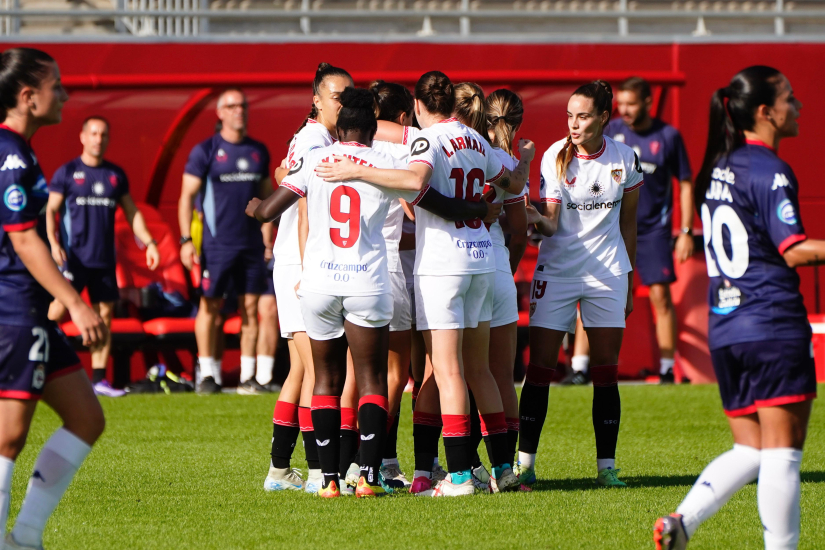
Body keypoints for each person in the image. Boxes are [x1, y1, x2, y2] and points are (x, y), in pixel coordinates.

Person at [249, 86, 500, 498]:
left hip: (318, 284)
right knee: (373, 379)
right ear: (370, 131)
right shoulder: (384, 161)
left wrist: (254, 206)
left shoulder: (315, 159)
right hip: (367, 280)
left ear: (340, 128)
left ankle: (328, 480)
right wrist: (477, 209)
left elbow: (268, 210)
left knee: (326, 380)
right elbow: (432, 198)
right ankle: (368, 475)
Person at [316, 71, 534, 497]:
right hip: (482, 261)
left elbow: (415, 181)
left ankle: (456, 477)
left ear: (417, 106)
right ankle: (504, 470)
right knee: (480, 370)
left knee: (446, 370)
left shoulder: (426, 140)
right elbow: (516, 184)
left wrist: (355, 170)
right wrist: (522, 159)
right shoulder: (476, 140)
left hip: (442, 263)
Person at [654, 66, 815, 550]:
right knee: (783, 455)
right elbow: (793, 249)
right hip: (772, 323)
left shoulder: (720, 167)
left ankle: (682, 521)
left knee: (751, 448)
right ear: (766, 112)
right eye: (789, 98)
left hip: (728, 329)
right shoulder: (769, 169)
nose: (798, 105)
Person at [0, 47, 108, 550]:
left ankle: (25, 537)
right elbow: (24, 239)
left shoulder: (21, 149)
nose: (64, 93)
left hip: (29, 312)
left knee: (87, 418)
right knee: (9, 436)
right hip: (14, 309)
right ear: (28, 96)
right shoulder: (11, 154)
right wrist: (77, 302)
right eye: (56, 85)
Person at [516, 80, 641, 489]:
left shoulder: (625, 158)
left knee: (606, 373)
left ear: (604, 118)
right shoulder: (555, 155)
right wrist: (534, 217)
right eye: (569, 115)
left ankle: (607, 468)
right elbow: (550, 224)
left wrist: (629, 277)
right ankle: (524, 464)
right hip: (558, 273)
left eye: (583, 116)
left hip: (608, 273)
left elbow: (629, 224)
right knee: (539, 371)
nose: (573, 124)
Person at [566, 76, 694, 385]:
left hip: (653, 232)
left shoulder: (668, 136)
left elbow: (686, 182)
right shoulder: (612, 134)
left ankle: (666, 370)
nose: (624, 109)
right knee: (591, 290)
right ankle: (580, 366)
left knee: (661, 295)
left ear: (648, 102)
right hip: (609, 227)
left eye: (631, 103)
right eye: (620, 103)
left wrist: (687, 230)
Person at [263, 63, 353, 494]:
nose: (343, 103)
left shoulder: (319, 138)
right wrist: (306, 266)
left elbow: (284, 175)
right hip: (301, 261)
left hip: (301, 259)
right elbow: (298, 203)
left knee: (302, 366)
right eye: (337, 95)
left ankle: (281, 469)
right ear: (317, 100)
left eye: (348, 95)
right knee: (320, 367)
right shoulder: (315, 138)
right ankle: (318, 469)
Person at [45, 115, 160, 397]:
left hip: (104, 260)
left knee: (104, 316)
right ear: (83, 137)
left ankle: (98, 379)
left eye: (103, 134)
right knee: (58, 310)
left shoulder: (115, 175)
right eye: (93, 133)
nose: (98, 139)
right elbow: (50, 210)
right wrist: (52, 241)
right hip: (74, 259)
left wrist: (150, 242)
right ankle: (38, 365)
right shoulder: (68, 172)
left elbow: (132, 213)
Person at [178, 88, 272, 395]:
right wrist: (185, 240)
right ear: (220, 113)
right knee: (210, 308)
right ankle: (208, 375)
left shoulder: (258, 151)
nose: (238, 111)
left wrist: (268, 239)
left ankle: (248, 378)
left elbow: (267, 200)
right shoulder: (205, 150)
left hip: (250, 245)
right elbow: (186, 198)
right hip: (216, 245)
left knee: (250, 308)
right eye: (231, 106)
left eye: (242, 105)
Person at [484, 88, 529, 468]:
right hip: (496, 264)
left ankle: (457, 467)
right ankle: (506, 467)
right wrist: (509, 268)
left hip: (452, 262)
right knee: (501, 374)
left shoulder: (468, 150)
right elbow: (518, 228)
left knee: (452, 372)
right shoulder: (511, 163)